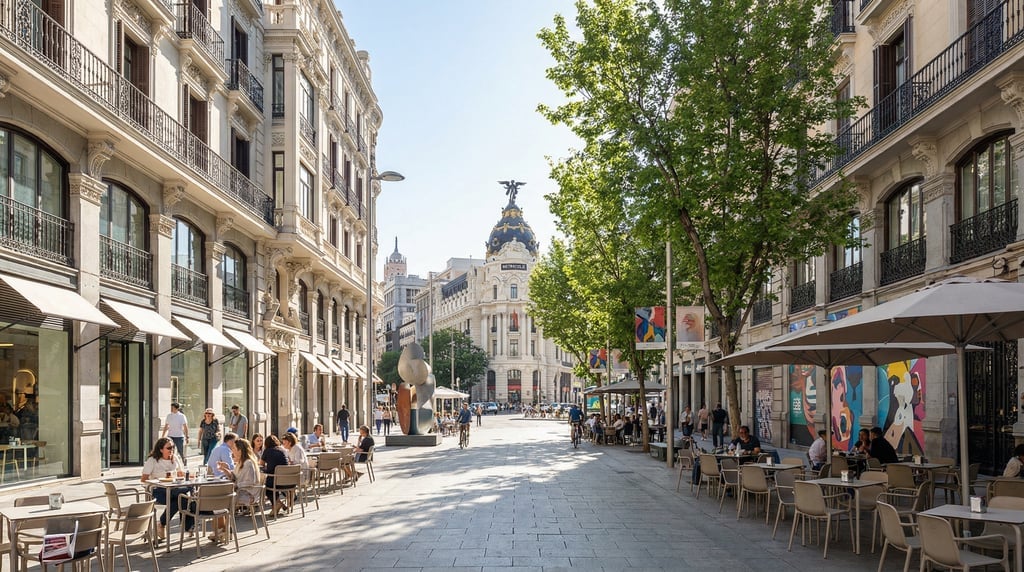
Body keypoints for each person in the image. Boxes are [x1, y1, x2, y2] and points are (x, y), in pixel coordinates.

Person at [141, 437, 187, 540]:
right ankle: (187, 526)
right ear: (161, 449)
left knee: (181, 497)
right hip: (158, 490)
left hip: (174, 489)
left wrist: (181, 475)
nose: (172, 450)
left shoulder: (174, 458)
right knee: (183, 497)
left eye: (173, 447)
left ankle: (161, 524)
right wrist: (160, 479)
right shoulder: (153, 460)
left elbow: (181, 474)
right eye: (169, 448)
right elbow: (143, 479)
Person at [216, 438, 259, 542]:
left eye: (234, 448)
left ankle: (223, 530)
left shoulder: (248, 463)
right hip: (240, 492)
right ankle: (222, 530)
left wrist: (236, 486)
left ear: (240, 450)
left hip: (248, 495)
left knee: (221, 501)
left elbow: (251, 482)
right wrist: (225, 470)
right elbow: (234, 477)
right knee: (218, 500)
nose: (232, 451)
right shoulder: (241, 463)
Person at [260, 435, 291, 517]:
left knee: (265, 486)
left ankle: (277, 504)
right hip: (288, 480)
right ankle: (277, 505)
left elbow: (261, 464)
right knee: (272, 481)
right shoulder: (283, 450)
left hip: (275, 481)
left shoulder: (267, 451)